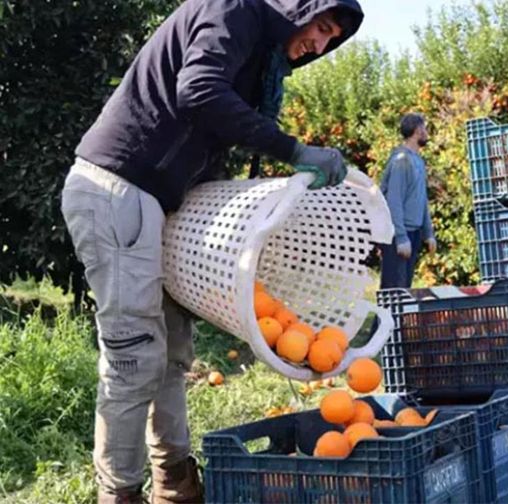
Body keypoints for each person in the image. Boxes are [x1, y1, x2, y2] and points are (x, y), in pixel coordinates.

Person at [60, 1, 364, 503]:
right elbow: (199, 91)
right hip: (117, 189)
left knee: (174, 353)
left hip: (157, 202)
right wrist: (292, 150)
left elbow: (211, 139)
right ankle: (119, 493)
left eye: (332, 39)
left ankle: (174, 479)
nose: (321, 43)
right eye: (322, 26)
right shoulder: (234, 10)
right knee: (135, 356)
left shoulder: (258, 58)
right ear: (297, 7)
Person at [379, 113, 436, 289]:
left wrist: (428, 233)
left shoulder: (417, 160)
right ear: (418, 131)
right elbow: (393, 201)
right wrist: (401, 238)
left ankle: (396, 318)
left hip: (413, 233)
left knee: (404, 291)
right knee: (393, 292)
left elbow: (421, 199)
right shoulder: (401, 161)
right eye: (424, 128)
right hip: (398, 236)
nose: (426, 132)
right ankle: (384, 319)